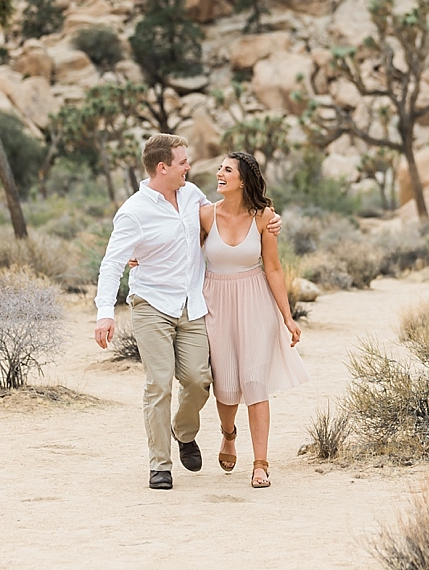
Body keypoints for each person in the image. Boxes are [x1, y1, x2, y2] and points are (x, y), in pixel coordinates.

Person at [92, 134, 280, 490]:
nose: (189, 167)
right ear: (163, 167)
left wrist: (271, 219)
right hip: (152, 304)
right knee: (159, 383)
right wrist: (105, 312)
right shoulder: (133, 212)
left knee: (198, 380)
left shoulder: (193, 196)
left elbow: (229, 215)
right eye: (183, 162)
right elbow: (112, 263)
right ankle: (160, 465)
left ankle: (183, 431)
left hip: (192, 304)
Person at [201, 151, 308, 489]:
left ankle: (260, 463)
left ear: (242, 180)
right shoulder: (205, 215)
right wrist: (139, 258)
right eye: (220, 168)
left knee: (254, 381)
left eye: (227, 170)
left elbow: (273, 268)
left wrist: (287, 317)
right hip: (215, 303)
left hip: (255, 301)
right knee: (225, 385)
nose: (220, 174)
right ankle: (228, 434)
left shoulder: (264, 217)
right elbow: (180, 253)